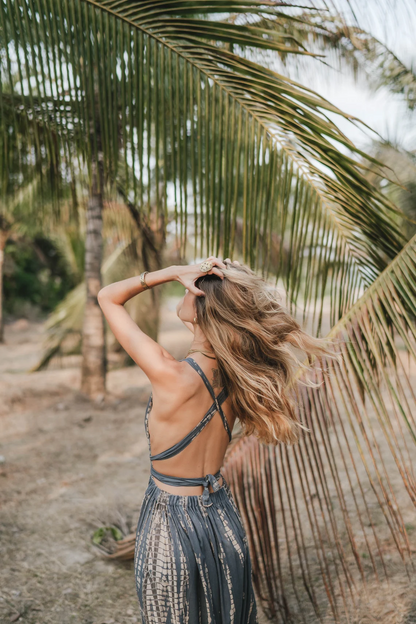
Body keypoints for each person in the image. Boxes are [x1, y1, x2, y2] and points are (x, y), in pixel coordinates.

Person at [98, 256, 332, 623]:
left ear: (202, 308)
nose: (182, 288)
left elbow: (108, 296)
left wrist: (170, 272)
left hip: (170, 522)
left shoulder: (170, 374)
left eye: (188, 287)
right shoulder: (239, 375)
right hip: (222, 516)